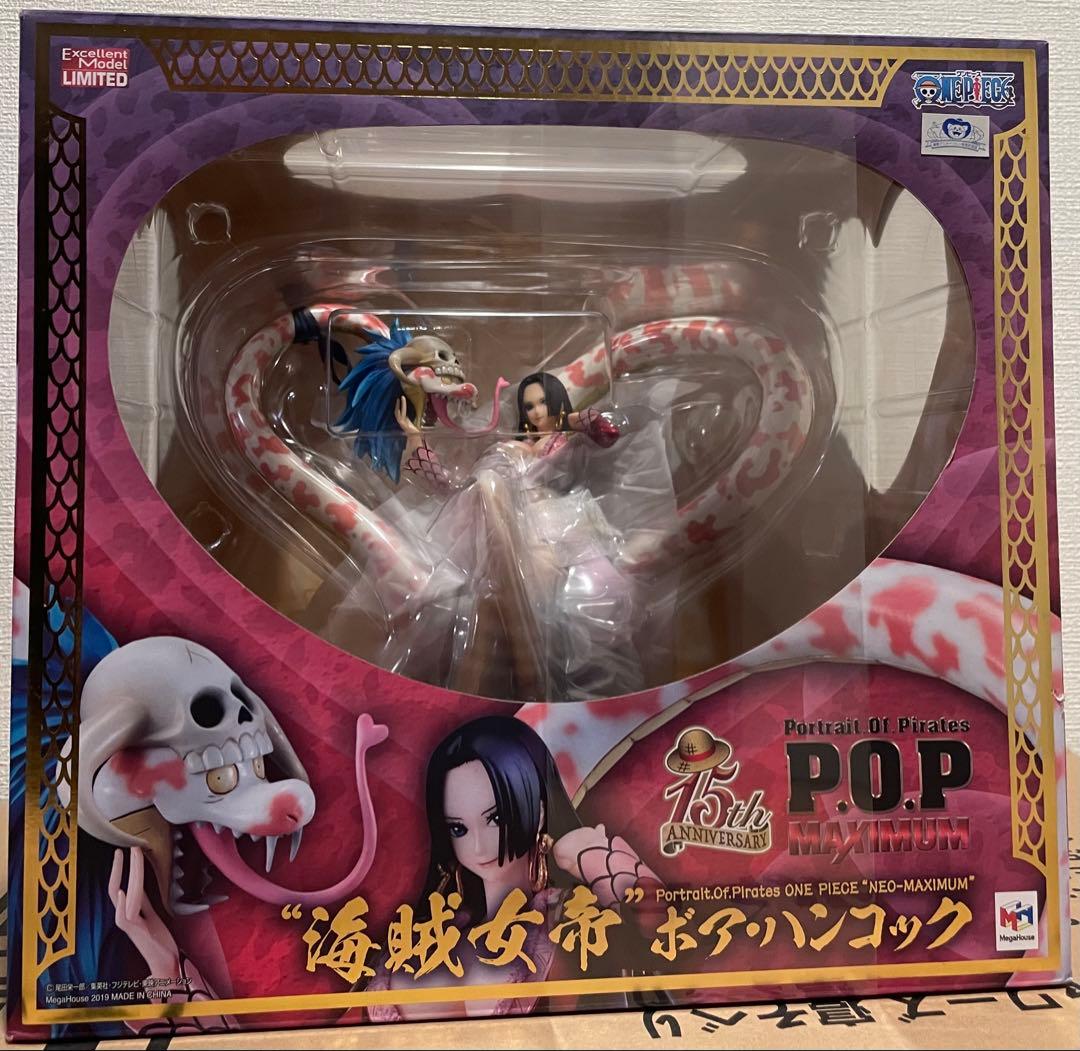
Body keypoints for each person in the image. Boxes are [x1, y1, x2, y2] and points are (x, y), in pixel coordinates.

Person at [386, 371, 664, 701]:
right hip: (510, 529)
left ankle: (521, 682)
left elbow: (607, 431)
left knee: (508, 605)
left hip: (562, 528)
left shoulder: (570, 443)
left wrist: (569, 419)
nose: (536, 412)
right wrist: (415, 438)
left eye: (544, 402)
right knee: (488, 600)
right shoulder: (507, 448)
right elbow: (454, 486)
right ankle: (501, 689)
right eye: (529, 406)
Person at [363, 716, 661, 1021]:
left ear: (539, 810)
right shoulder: (434, 930)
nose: (478, 847)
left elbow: (662, 933)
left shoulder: (566, 917)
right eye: (458, 829)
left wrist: (588, 855)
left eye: (496, 819)